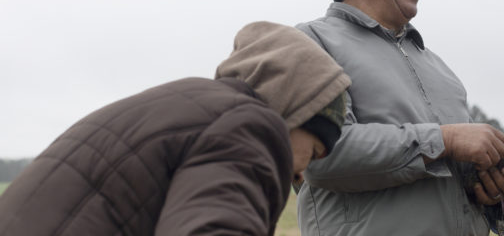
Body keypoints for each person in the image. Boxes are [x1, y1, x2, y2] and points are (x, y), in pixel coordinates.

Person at [0, 21, 351, 236]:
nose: (303, 175)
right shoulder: (248, 127)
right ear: (296, 110)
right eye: (315, 152)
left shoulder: (191, 104)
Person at [295, 0, 504, 235]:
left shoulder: (440, 67)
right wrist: (447, 139)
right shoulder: (312, 42)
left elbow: (448, 176)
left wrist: (489, 187)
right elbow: (323, 154)